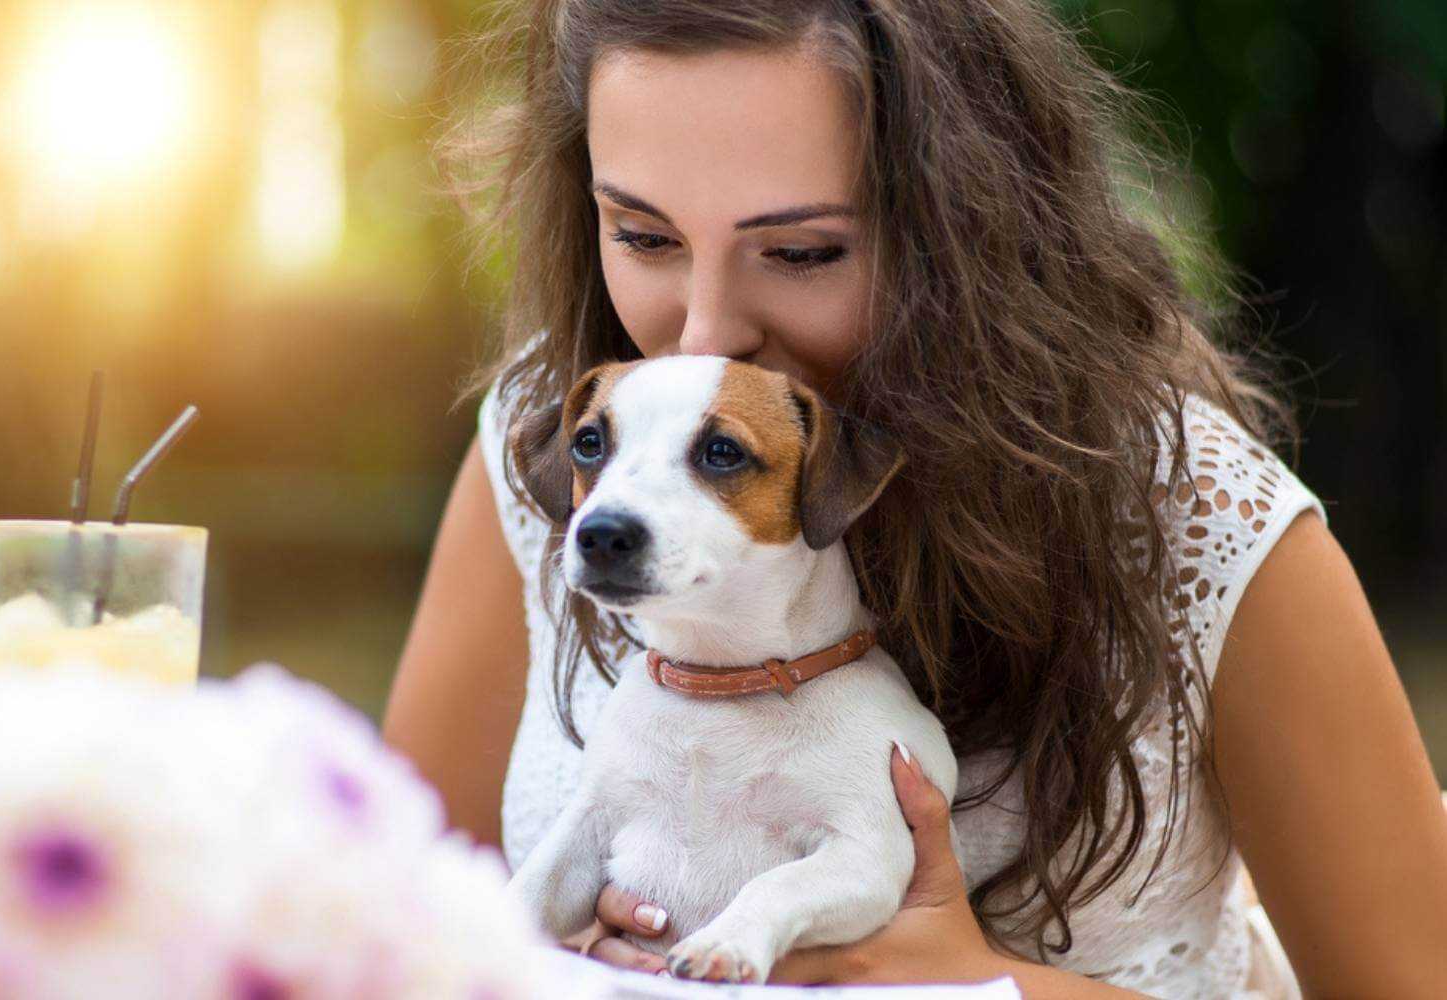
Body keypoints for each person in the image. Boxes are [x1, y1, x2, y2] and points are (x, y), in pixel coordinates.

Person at [383, 1, 1447, 996]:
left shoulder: (1201, 525)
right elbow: (383, 937)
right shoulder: (567, 450)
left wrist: (983, 984)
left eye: (803, 252)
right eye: (645, 236)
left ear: (971, 236)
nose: (703, 331)